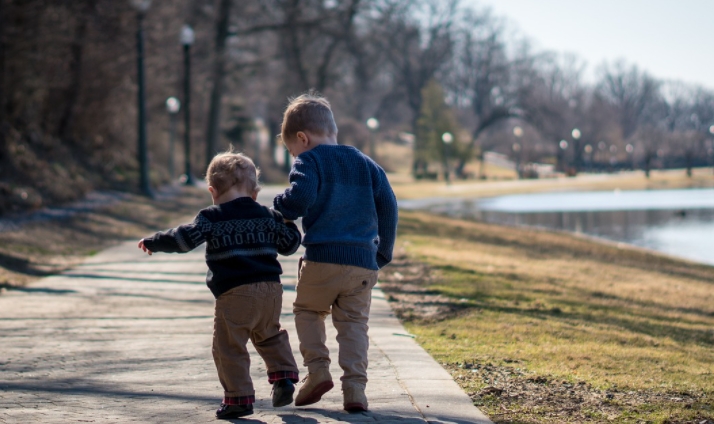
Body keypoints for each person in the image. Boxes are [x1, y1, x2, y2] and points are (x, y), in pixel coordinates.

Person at [138, 151, 301, 420]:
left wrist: (155, 241)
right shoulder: (267, 215)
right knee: (270, 334)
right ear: (254, 192)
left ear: (212, 190)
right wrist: (288, 222)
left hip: (235, 293)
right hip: (271, 290)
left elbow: (183, 240)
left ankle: (238, 399)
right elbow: (290, 245)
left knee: (229, 346)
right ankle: (283, 377)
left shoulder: (211, 217)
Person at [273, 92, 398, 412]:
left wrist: (279, 205)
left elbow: (298, 200)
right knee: (354, 324)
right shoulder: (366, 163)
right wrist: (382, 253)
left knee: (307, 311)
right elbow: (389, 206)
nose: (294, 155)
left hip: (322, 259)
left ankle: (317, 371)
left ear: (303, 138)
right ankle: (355, 389)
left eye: (291, 150)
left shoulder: (309, 160)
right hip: (362, 263)